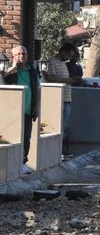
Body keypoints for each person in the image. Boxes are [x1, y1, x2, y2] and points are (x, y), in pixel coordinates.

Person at [2, 45, 39, 175]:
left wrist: (37, 106)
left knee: (26, 137)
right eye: (19, 54)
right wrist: (13, 68)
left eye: (24, 54)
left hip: (28, 110)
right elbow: (2, 80)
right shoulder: (10, 71)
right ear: (14, 56)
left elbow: (37, 89)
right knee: (14, 137)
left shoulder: (32, 71)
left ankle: (23, 163)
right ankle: (12, 164)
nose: (22, 56)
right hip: (13, 111)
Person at [46, 43, 81, 156]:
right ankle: (57, 150)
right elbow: (50, 78)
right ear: (63, 51)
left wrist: (71, 79)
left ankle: (59, 149)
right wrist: (70, 80)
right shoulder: (52, 62)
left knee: (62, 127)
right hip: (58, 99)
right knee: (57, 127)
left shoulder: (62, 63)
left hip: (66, 99)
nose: (69, 58)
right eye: (69, 55)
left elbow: (62, 78)